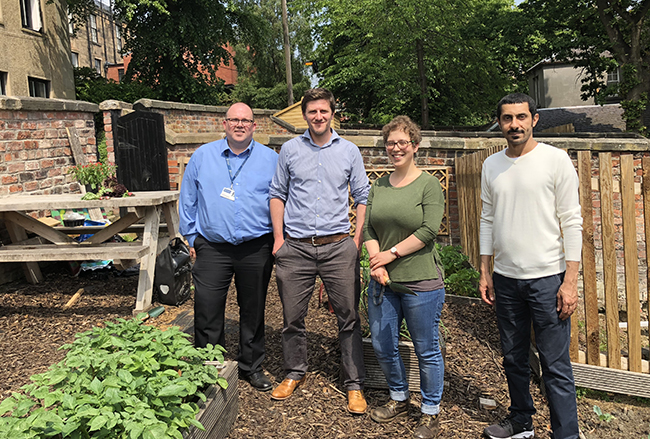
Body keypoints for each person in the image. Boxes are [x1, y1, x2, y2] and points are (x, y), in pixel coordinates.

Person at [479, 93, 583, 439]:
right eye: (507, 119)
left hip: (548, 280)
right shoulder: (491, 166)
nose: (514, 125)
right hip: (506, 279)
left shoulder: (556, 160)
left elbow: (572, 221)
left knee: (555, 365)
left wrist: (570, 281)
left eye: (521, 117)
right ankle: (522, 421)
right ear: (500, 123)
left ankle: (565, 434)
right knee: (513, 358)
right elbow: (487, 219)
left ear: (534, 119)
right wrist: (485, 271)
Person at [269, 88, 370, 414]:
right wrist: (278, 240)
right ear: (305, 114)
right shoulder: (290, 150)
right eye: (312, 111)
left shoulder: (349, 151)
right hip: (295, 248)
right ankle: (295, 372)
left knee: (348, 317)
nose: (318, 117)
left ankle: (353, 384)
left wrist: (355, 240)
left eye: (323, 111)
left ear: (332, 113)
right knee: (292, 317)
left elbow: (362, 196)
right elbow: (277, 194)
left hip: (338, 246)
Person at [179, 102, 278, 392]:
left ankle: (251, 366)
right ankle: (210, 368)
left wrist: (277, 237)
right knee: (207, 308)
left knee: (253, 308)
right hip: (212, 247)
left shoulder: (270, 159)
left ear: (254, 126)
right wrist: (192, 237)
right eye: (233, 120)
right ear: (224, 124)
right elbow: (188, 199)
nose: (239, 125)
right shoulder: (202, 156)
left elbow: (280, 200)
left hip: (256, 246)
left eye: (245, 120)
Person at [363, 116, 446, 439]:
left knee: (426, 349)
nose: (396, 148)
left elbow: (428, 230)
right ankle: (398, 397)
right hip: (382, 279)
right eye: (391, 143)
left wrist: (391, 254)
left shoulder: (428, 184)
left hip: (420, 283)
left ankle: (429, 411)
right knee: (384, 345)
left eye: (402, 142)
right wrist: (377, 261)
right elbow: (368, 227)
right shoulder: (379, 185)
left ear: (415, 145)